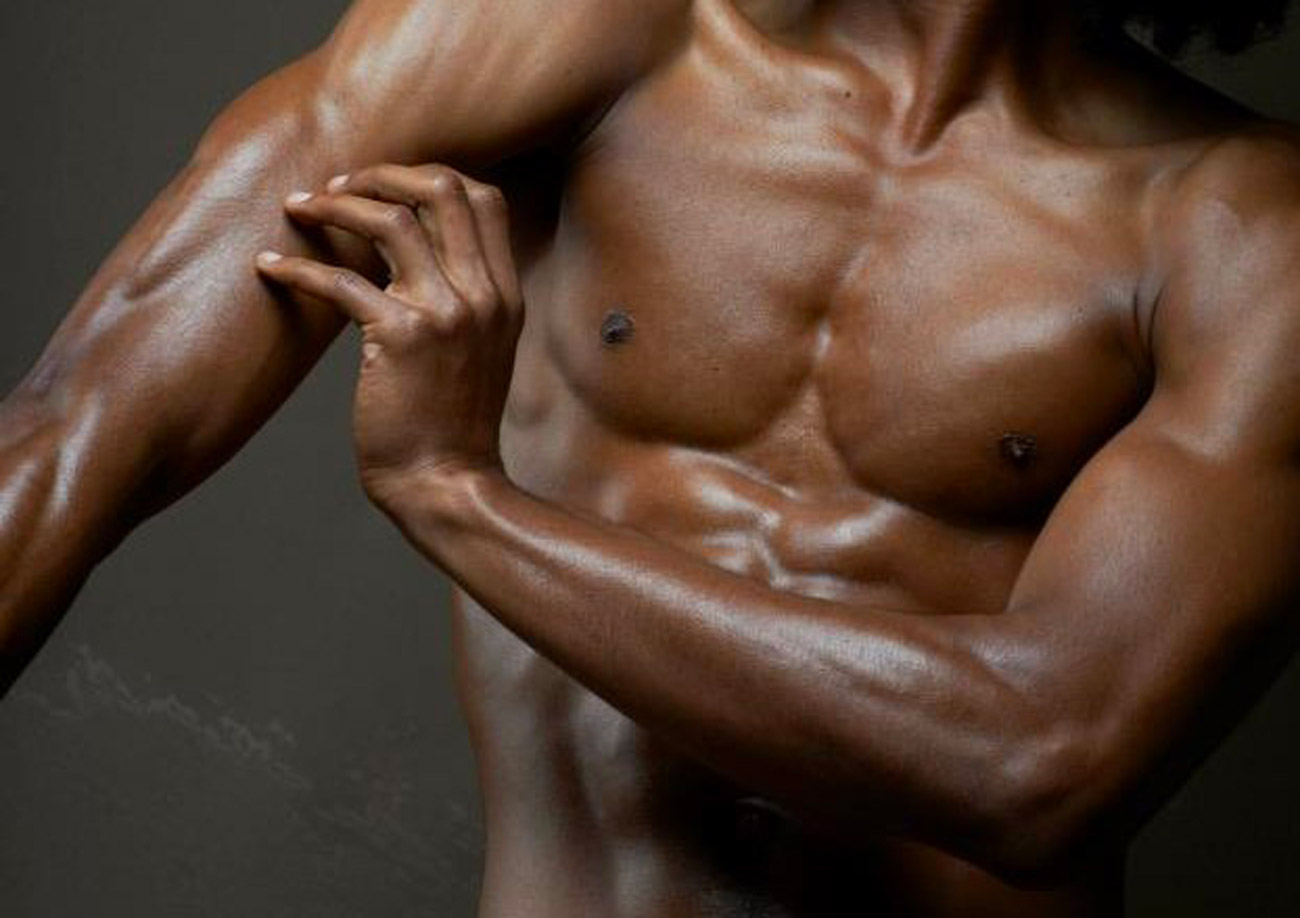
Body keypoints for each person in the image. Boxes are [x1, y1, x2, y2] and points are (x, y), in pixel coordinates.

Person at [2, 0, 1299, 912]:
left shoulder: (1247, 228)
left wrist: (457, 496)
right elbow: (71, 435)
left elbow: (1044, 761)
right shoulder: (577, 27)